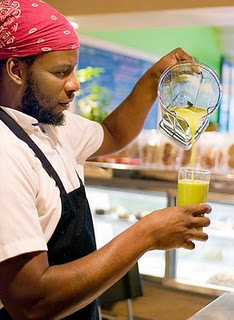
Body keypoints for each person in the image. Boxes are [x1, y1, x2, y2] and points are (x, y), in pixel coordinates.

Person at [0, 1, 211, 319]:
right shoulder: (6, 152)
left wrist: (156, 77)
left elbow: (112, 132)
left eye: (73, 69)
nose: (75, 84)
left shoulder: (49, 123)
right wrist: (147, 234)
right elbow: (32, 301)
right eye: (61, 72)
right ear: (16, 70)